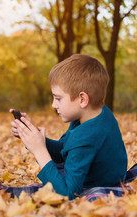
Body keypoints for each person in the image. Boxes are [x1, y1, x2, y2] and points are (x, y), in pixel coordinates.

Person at [10, 54, 128, 200]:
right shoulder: (94, 114)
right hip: (104, 173)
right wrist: (34, 137)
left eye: (58, 98)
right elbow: (64, 151)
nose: (54, 105)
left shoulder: (86, 137)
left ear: (83, 99)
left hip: (98, 182)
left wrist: (39, 150)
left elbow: (67, 194)